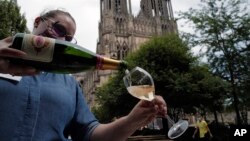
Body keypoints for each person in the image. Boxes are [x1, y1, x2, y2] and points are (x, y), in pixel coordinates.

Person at [0, 9, 167, 141]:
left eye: (69, 39)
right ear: (37, 22)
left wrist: (132, 120)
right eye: (58, 29)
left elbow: (89, 133)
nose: (62, 40)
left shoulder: (69, 85)